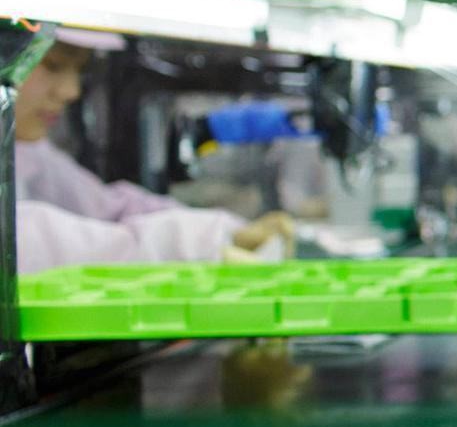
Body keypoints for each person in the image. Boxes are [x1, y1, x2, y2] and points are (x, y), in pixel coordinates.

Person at [14, 34, 292, 272]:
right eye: (53, 65)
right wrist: (194, 243)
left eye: (79, 69)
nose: (71, 91)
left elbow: (108, 208)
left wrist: (227, 230)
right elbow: (29, 245)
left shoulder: (27, 151)